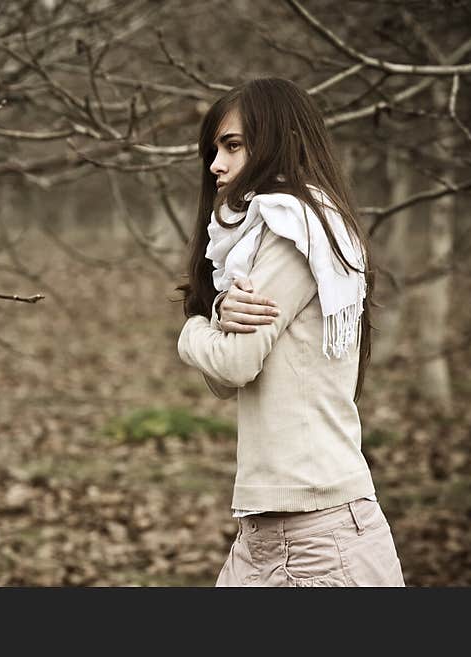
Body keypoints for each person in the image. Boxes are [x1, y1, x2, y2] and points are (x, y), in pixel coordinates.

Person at [175, 78, 405, 587]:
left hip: (317, 537)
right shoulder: (273, 235)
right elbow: (225, 380)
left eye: (232, 146)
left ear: (281, 140)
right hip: (275, 529)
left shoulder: (294, 231)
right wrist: (217, 317)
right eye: (213, 149)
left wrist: (192, 330)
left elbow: (231, 363)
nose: (215, 163)